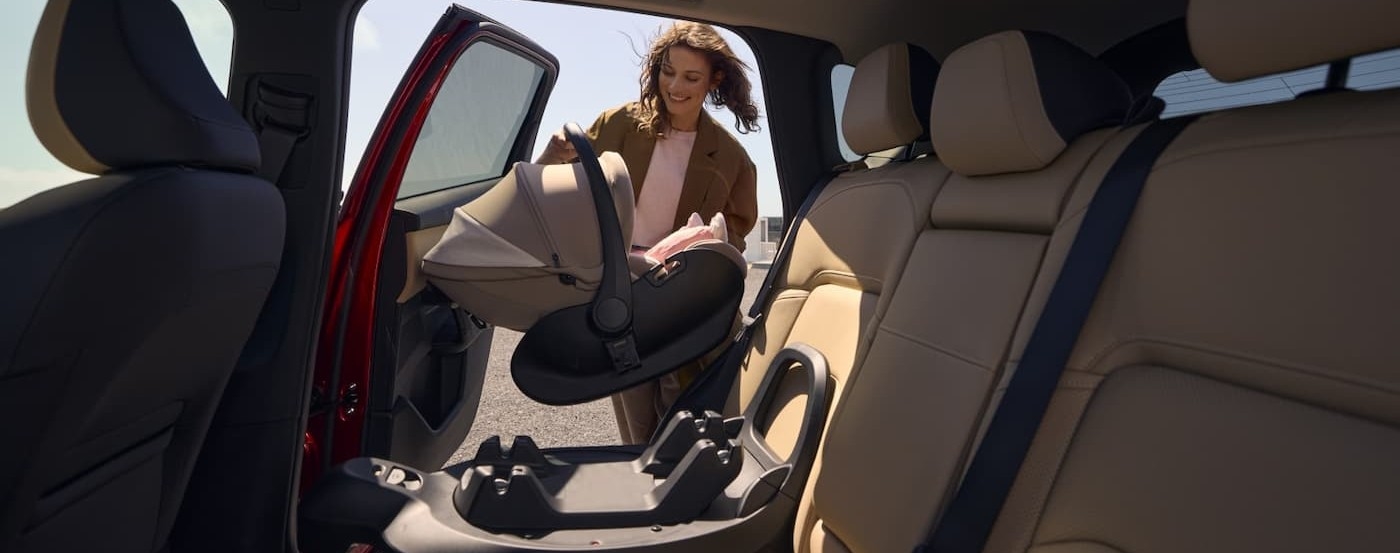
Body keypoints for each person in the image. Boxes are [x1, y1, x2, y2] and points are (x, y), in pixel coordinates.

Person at [535, 21, 761, 445]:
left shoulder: (732, 157)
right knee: (635, 413)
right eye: (667, 72)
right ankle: (643, 493)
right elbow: (553, 189)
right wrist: (550, 154)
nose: (675, 86)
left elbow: (736, 231)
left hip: (679, 291)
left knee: (682, 405)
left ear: (715, 80)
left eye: (691, 77)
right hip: (621, 286)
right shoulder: (619, 124)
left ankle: (681, 490)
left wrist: (704, 249)